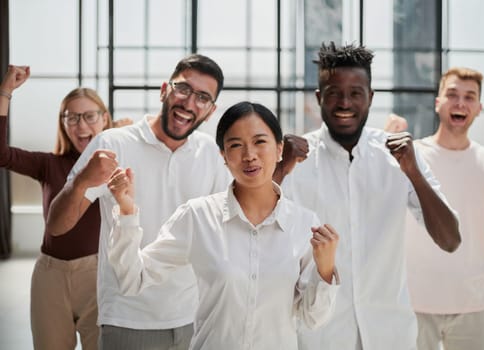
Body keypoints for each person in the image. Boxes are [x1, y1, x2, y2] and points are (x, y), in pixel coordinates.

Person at [105, 101, 341, 350]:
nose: (249, 155)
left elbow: (313, 319)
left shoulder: (304, 224)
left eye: (260, 142)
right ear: (224, 156)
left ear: (280, 149)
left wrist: (324, 270)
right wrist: (127, 212)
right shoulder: (198, 217)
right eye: (236, 145)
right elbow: (133, 279)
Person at [279, 42, 461, 350]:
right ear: (319, 97)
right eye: (334, 92)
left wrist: (413, 172)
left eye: (356, 92)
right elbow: (252, 226)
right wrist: (280, 171)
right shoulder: (295, 161)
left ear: (371, 97)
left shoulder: (401, 157)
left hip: (390, 333)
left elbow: (450, 240)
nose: (345, 103)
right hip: (320, 334)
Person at [46, 54, 232, 350]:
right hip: (127, 318)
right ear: (164, 90)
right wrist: (83, 180)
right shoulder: (112, 143)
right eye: (183, 89)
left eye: (202, 98)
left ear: (210, 111)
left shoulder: (211, 153)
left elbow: (226, 229)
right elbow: (57, 226)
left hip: (192, 317)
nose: (188, 103)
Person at [392, 67, 484, 349]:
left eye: (469, 97)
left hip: (473, 302)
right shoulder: (410, 154)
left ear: (479, 108)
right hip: (414, 300)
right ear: (438, 102)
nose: (460, 103)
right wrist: (381, 138)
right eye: (452, 95)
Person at [0, 65, 112, 350]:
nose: (81, 125)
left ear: (104, 119)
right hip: (50, 277)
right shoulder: (48, 164)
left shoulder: (117, 162)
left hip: (98, 274)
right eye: (71, 117)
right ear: (63, 123)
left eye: (89, 116)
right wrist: (5, 92)